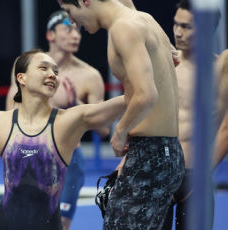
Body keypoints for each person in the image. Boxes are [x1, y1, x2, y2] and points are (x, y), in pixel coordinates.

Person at [58, 0, 185, 229]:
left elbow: (146, 95)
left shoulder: (123, 27)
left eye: (70, 11)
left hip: (151, 156)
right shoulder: (145, 20)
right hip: (166, 153)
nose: (73, 23)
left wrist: (120, 131)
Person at [0, 49, 125, 230]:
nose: (52, 75)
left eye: (56, 72)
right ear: (22, 78)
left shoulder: (67, 120)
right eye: (43, 68)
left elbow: (133, 99)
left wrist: (157, 72)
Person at [5, 11, 107, 230]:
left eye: (77, 30)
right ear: (50, 35)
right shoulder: (26, 66)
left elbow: (103, 129)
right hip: (30, 154)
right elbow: (10, 110)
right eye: (68, 29)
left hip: (69, 160)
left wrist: (75, 103)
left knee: (59, 225)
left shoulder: (90, 76)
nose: (75, 35)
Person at [160, 1, 227, 229]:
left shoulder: (220, 71)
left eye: (187, 27)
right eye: (176, 24)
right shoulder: (163, 64)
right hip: (158, 171)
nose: (178, 32)